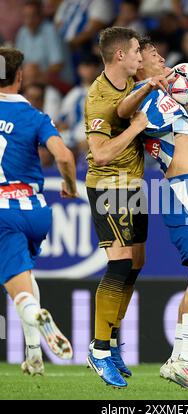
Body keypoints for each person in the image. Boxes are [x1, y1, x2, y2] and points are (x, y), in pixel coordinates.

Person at [118, 38, 188, 391]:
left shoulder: (162, 99)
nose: (163, 59)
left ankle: (181, 359)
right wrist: (148, 84)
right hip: (183, 189)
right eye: (154, 56)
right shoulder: (144, 93)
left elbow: (166, 126)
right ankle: (184, 359)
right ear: (140, 65)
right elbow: (123, 112)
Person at [84, 27, 168, 389]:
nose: (141, 56)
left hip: (132, 185)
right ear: (120, 55)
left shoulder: (132, 85)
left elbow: (149, 114)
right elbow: (100, 153)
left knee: (136, 261)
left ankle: (113, 340)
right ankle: (99, 349)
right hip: (108, 186)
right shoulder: (99, 97)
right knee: (118, 261)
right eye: (137, 51)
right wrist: (135, 129)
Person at [0, 47, 77, 376]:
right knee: (24, 275)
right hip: (36, 209)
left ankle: (35, 312)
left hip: (3, 212)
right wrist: (71, 186)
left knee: (18, 290)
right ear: (20, 77)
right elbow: (64, 157)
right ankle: (34, 354)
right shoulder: (35, 116)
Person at [15, 0, 64, 81]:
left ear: (40, 16)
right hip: (30, 82)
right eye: (26, 17)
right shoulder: (23, 32)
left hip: (54, 82)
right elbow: (17, 63)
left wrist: (37, 75)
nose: (29, 21)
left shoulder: (51, 30)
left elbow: (58, 65)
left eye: (32, 16)